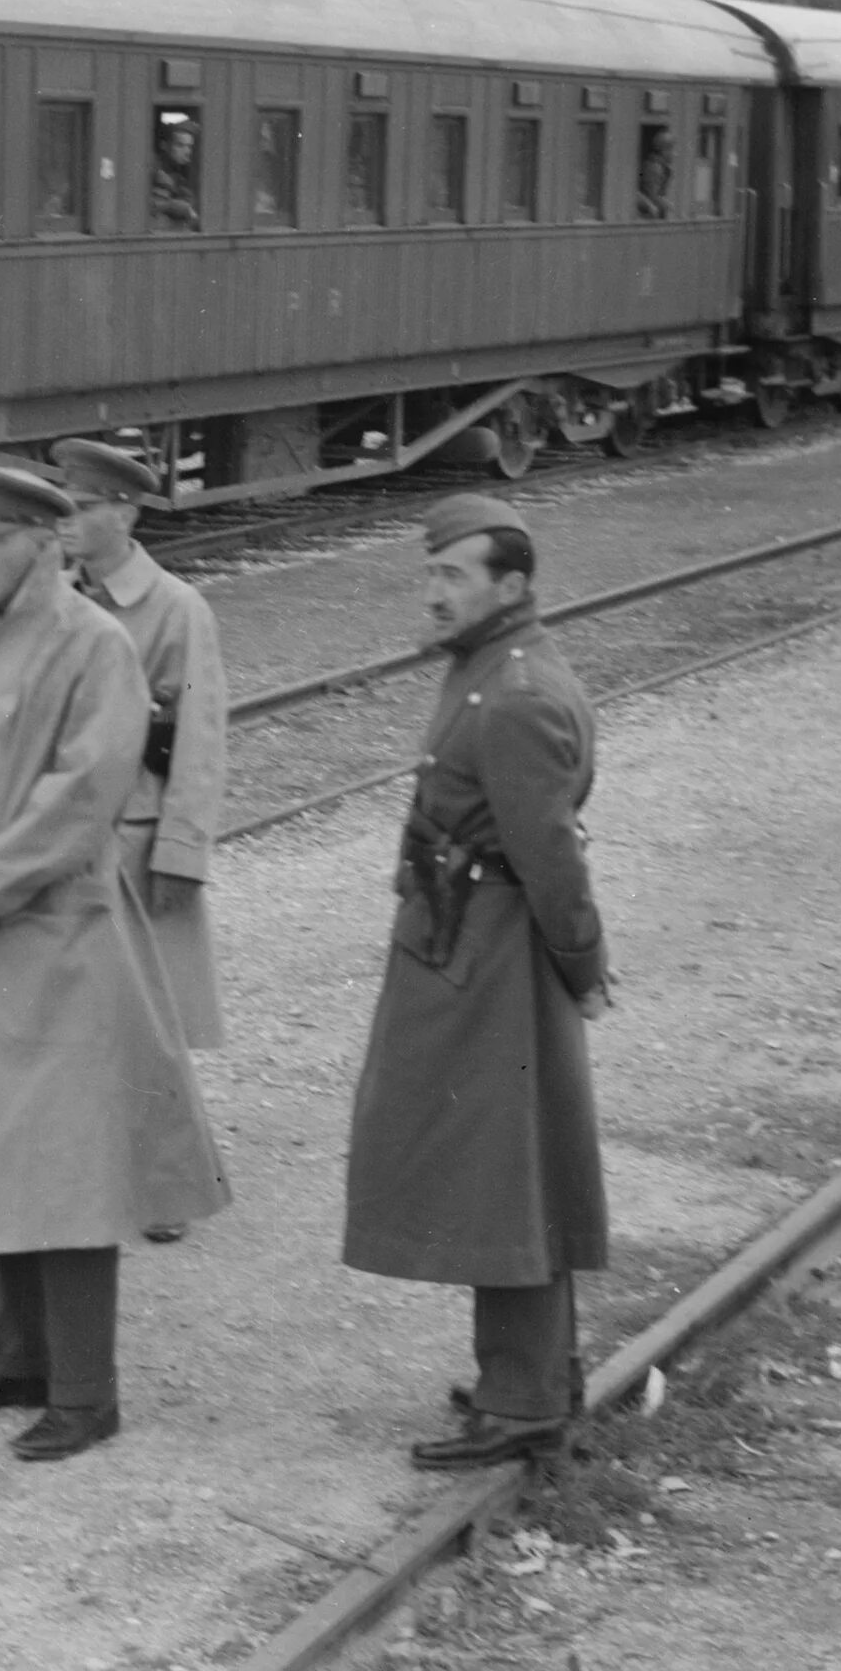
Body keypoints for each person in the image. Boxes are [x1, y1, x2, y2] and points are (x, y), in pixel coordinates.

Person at [0, 459, 230, 1462]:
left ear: (43, 543)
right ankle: (20, 1357)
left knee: (68, 1168)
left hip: (64, 939)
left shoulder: (97, 646)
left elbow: (83, 799)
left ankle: (87, 1391)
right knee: (4, 1147)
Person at [343, 494, 612, 1470]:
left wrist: (583, 969)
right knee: (509, 1173)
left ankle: (528, 1400)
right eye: (432, 573)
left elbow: (551, 861)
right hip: (470, 942)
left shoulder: (517, 695)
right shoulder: (490, 672)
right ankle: (524, 1380)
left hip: (494, 953)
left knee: (509, 1177)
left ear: (512, 585)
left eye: (453, 575)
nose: (435, 591)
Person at [51, 438, 228, 1246]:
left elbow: (200, 736)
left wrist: (184, 851)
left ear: (124, 512)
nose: (68, 522)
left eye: (84, 507)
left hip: (138, 836)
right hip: (66, 841)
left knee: (152, 1029)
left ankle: (165, 1188)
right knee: (76, 1014)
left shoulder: (175, 608)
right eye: (65, 505)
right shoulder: (54, 599)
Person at [151, 118, 200, 231]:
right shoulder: (160, 174)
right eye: (180, 145)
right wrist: (175, 206)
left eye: (189, 146)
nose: (187, 152)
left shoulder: (178, 174)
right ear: (164, 145)